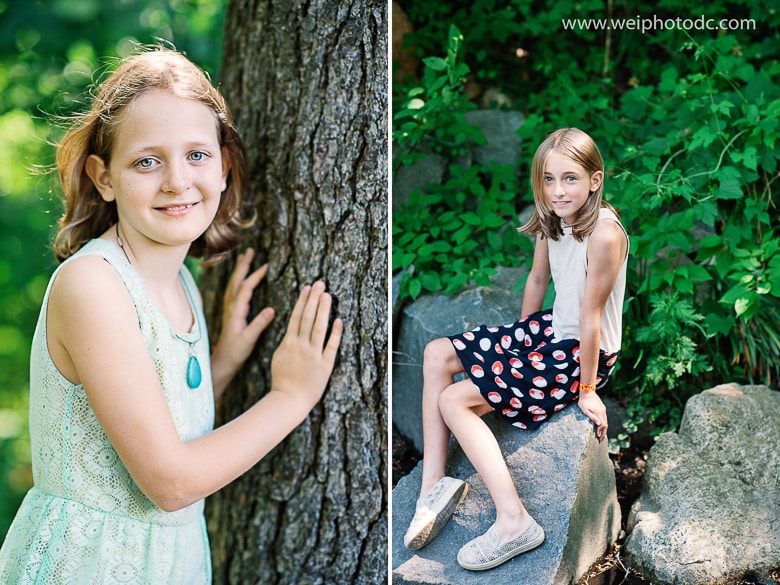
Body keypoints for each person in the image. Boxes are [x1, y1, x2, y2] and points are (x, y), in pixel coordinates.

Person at [0, 47, 343, 584]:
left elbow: (151, 418)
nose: (177, 181)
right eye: (146, 160)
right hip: (90, 565)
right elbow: (170, 482)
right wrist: (289, 398)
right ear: (104, 177)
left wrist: (218, 364)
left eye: (198, 155)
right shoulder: (92, 284)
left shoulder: (179, 279)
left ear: (225, 166)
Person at [403, 127, 628, 571]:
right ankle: (434, 487)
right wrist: (521, 342)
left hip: (585, 352)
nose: (558, 190)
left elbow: (589, 320)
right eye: (548, 179)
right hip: (550, 332)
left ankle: (514, 521)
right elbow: (537, 280)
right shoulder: (552, 216)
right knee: (435, 354)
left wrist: (586, 390)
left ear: (595, 180)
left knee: (455, 400)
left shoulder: (605, 235)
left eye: (570, 178)